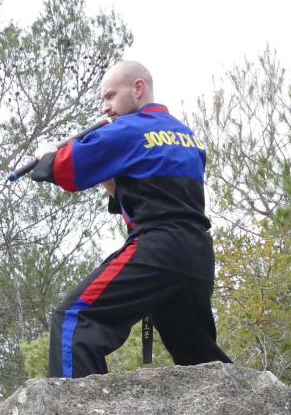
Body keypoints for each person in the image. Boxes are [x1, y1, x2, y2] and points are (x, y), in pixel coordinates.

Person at [32, 60, 231, 378]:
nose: (106, 108)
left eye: (110, 96)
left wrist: (46, 156)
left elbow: (64, 170)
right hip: (197, 255)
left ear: (138, 89)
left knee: (74, 319)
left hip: (158, 246)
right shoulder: (186, 135)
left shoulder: (127, 129)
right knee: (197, 353)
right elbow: (157, 193)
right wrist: (110, 179)